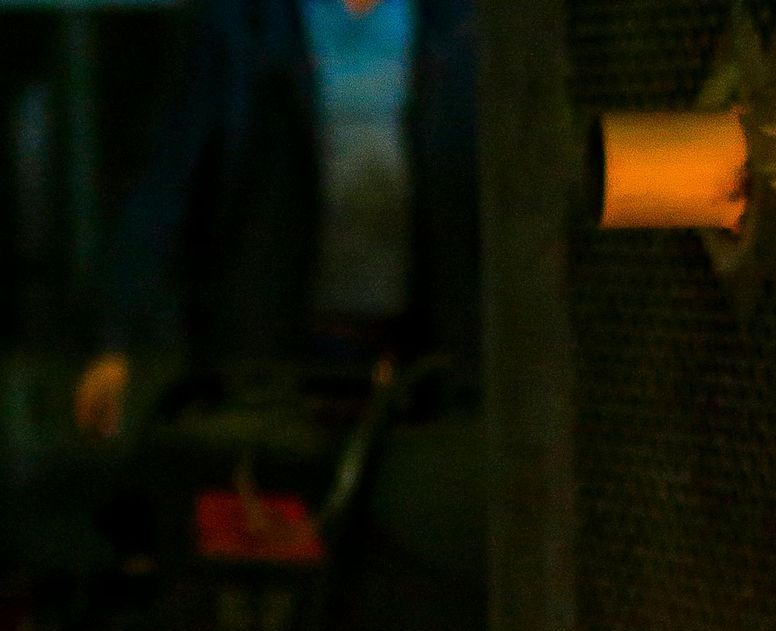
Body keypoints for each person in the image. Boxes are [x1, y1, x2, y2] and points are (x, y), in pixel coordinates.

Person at [74, 0, 478, 442]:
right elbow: (169, 179)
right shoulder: (243, 25)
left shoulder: (456, 23)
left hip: (423, 360)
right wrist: (120, 339)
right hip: (271, 358)